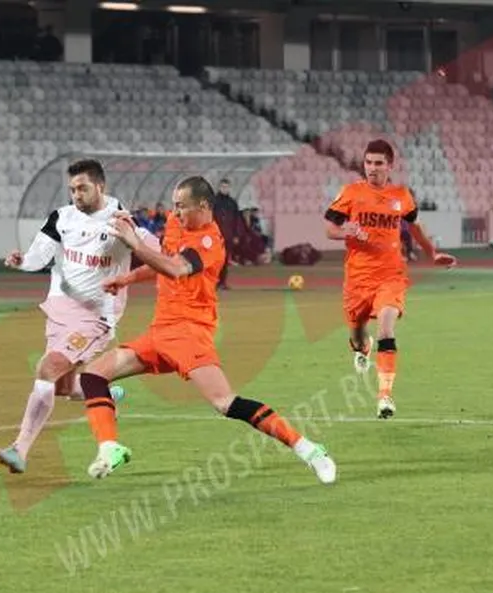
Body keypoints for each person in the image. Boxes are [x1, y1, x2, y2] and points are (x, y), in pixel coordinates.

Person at [75, 176, 337, 484]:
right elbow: (162, 261)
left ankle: (309, 449)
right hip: (160, 331)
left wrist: (135, 243)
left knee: (225, 403)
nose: (175, 212)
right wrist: (126, 279)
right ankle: (110, 448)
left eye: (181, 206)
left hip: (190, 332)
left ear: (202, 206)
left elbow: (175, 268)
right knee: (93, 376)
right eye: (174, 205)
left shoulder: (209, 242)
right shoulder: (175, 223)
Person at [0, 159, 157, 474]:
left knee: (47, 368)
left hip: (95, 317)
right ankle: (103, 393)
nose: (76, 195)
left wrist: (136, 255)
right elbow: (40, 254)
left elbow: (156, 252)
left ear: (100, 186)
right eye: (72, 189)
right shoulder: (62, 217)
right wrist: (23, 261)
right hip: (60, 309)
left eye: (82, 188)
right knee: (62, 388)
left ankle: (19, 450)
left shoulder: (120, 220)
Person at [323, 139, 457, 419]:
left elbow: (415, 226)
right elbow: (329, 229)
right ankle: (362, 347)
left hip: (391, 275)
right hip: (357, 278)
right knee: (357, 335)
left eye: (378, 163)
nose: (372, 168)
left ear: (390, 166)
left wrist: (432, 253)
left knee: (386, 329)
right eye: (368, 162)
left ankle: (385, 396)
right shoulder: (351, 193)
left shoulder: (401, 196)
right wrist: (347, 231)